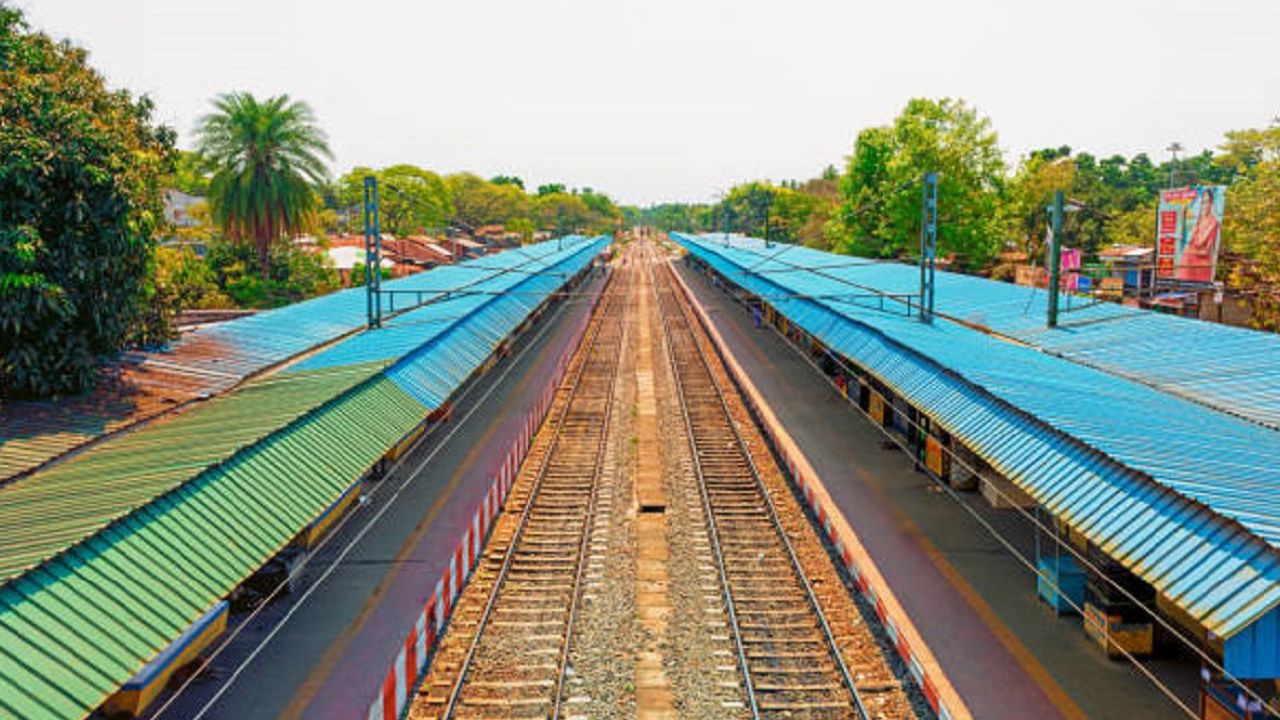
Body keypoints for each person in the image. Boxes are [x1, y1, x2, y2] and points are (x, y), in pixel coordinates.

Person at [1176, 187, 1221, 283]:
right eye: (1202, 202)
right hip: (1188, 262)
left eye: (1207, 202)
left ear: (1211, 204)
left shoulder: (1213, 222)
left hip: (1202, 264)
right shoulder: (1197, 220)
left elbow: (1202, 244)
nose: (1204, 206)